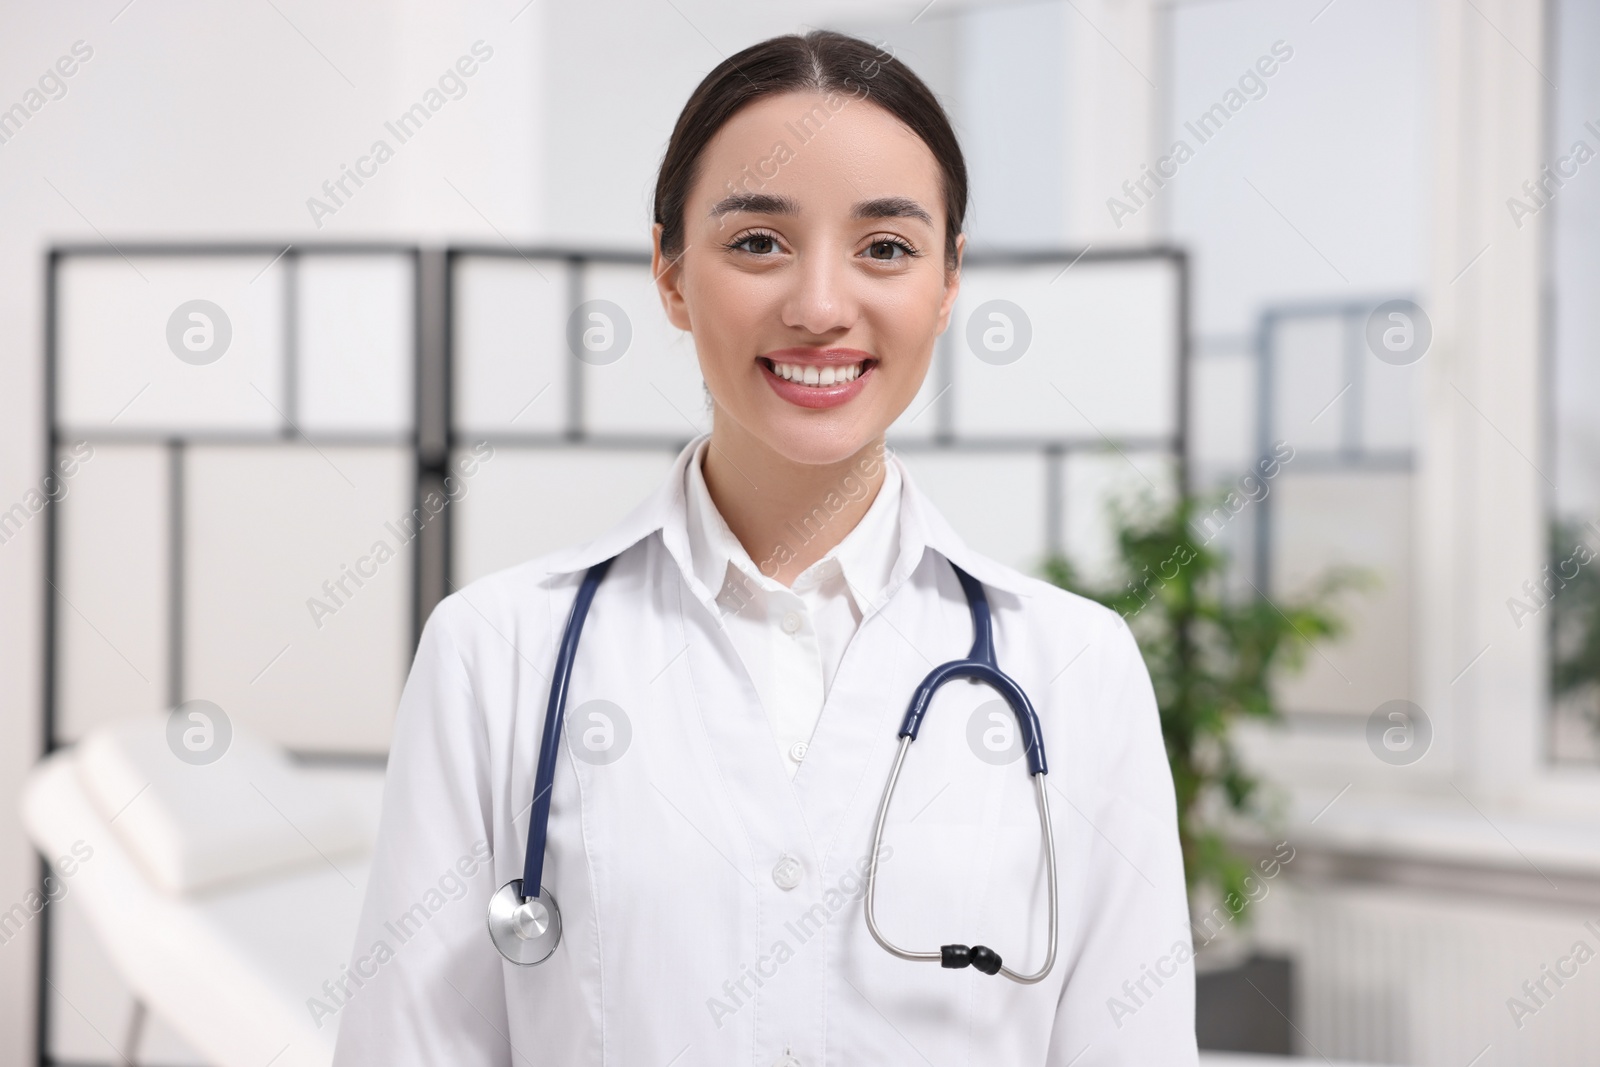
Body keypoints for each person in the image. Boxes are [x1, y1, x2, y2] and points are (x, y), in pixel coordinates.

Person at [332, 29, 1196, 1066]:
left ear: (948, 280)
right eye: (757, 243)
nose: (821, 306)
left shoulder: (1075, 666)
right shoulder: (496, 651)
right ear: (669, 270)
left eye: (885, 247)